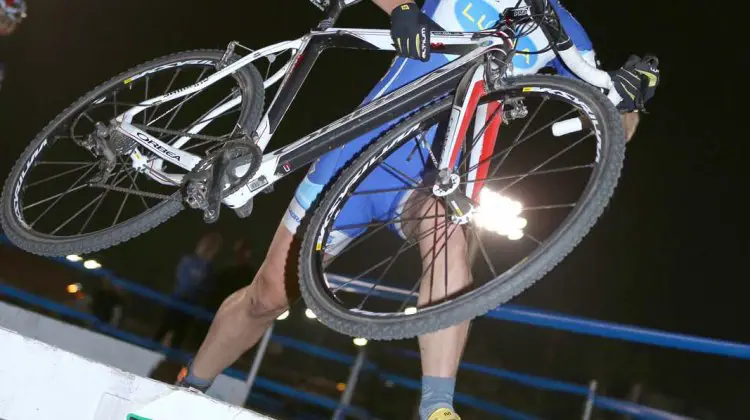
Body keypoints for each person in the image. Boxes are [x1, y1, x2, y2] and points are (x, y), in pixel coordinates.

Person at [177, 1, 660, 419]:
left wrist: (630, 97)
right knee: (268, 297)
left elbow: (614, 120)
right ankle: (188, 387)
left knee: (450, 231)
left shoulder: (564, 32)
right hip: (358, 154)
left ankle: (437, 407)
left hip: (437, 180)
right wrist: (405, 10)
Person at [153, 232, 223, 349]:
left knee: (179, 337)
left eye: (212, 247)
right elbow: (183, 281)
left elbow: (207, 288)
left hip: (190, 307)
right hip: (177, 301)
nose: (207, 248)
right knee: (163, 330)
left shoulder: (209, 269)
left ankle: (169, 360)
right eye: (207, 245)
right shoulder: (188, 261)